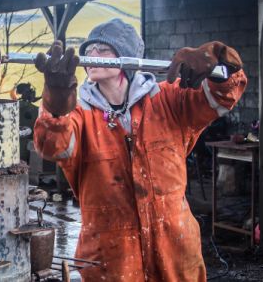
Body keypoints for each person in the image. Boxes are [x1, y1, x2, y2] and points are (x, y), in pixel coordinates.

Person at [33, 18, 246, 281]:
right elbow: (51, 146)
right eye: (89, 50)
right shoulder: (78, 115)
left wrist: (217, 61)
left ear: (126, 58)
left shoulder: (168, 99)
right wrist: (56, 100)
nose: (92, 55)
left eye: (103, 49)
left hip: (176, 254)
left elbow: (226, 92)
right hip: (111, 260)